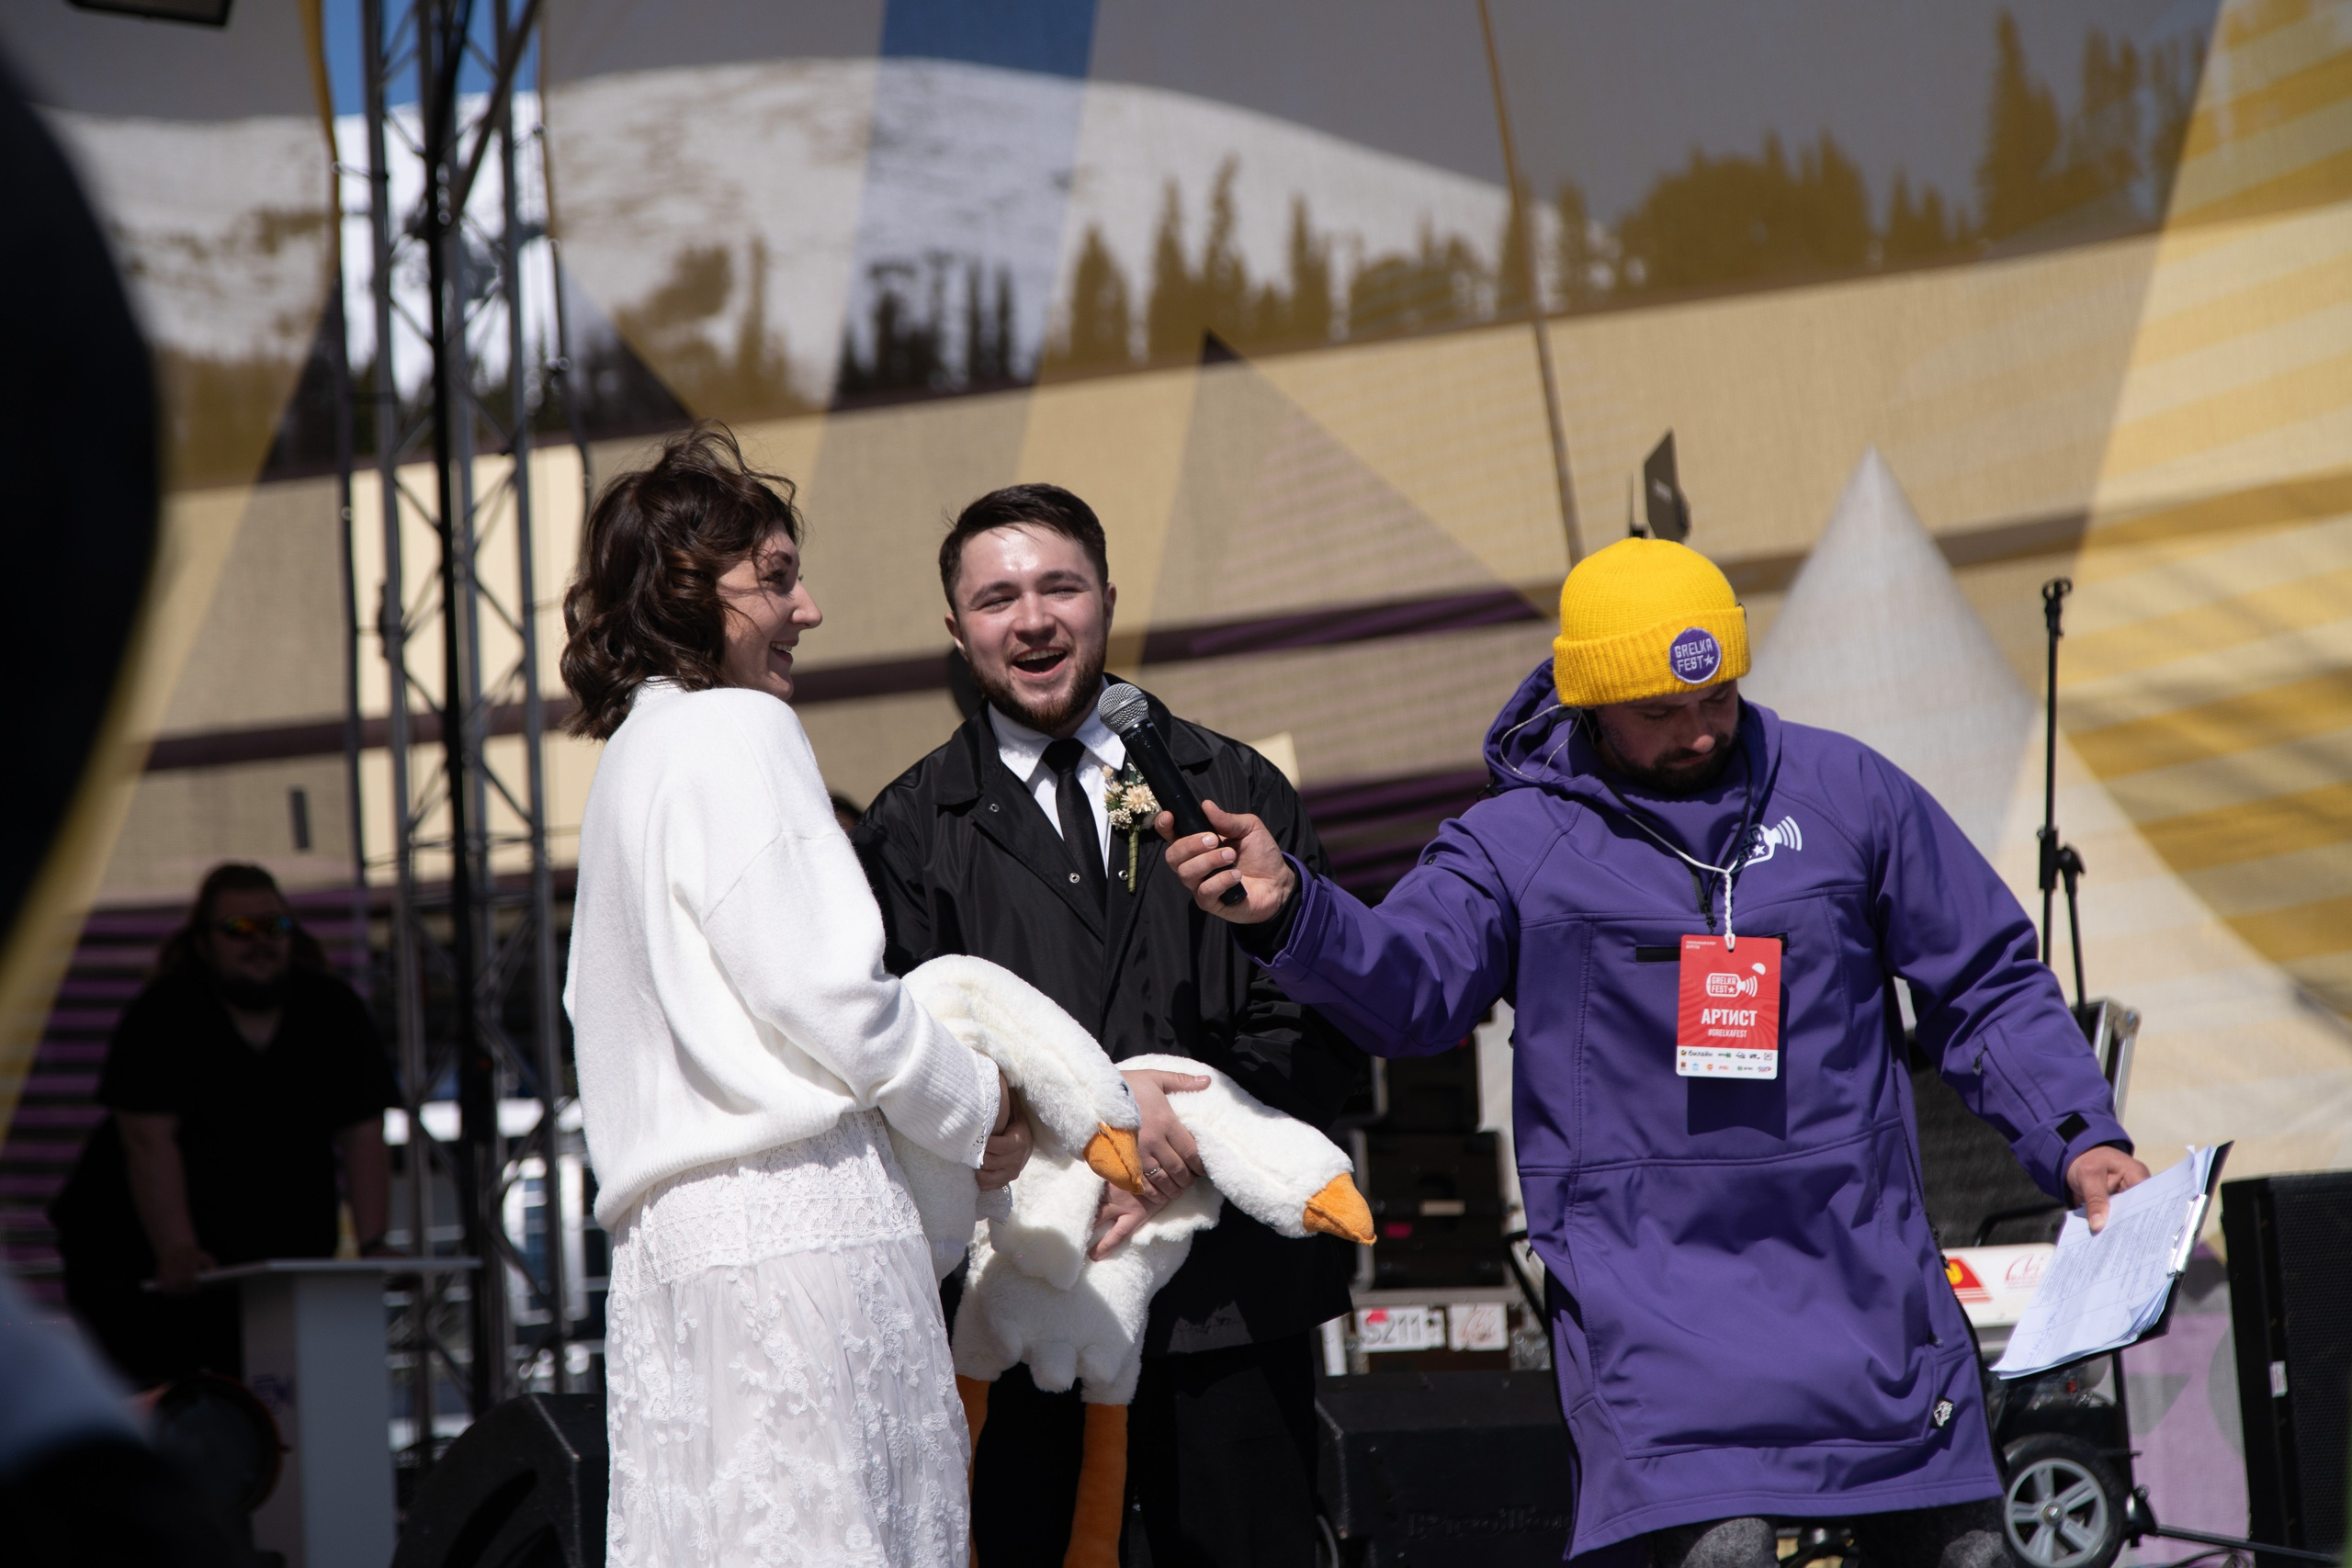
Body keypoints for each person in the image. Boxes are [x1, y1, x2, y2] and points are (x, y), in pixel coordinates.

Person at [1160, 537, 2150, 1568]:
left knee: (1971, 1556)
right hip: (1652, 1298)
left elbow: (1985, 981)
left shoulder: (1847, 792)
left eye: (1716, 697)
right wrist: (1292, 915)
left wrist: (2078, 1135)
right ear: (1587, 702)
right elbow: (1410, 987)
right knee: (1719, 1550)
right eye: (1660, 714)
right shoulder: (1515, 838)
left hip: (1864, 1274)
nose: (1697, 731)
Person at [853, 483, 1363, 1567]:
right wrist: (1086, 1139)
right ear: (957, 630)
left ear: (1107, 600)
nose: (1031, 618)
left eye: (1058, 587)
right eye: (996, 598)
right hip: (1022, 1299)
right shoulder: (909, 829)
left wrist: (1186, 1134)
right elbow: (897, 1056)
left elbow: (1322, 1018)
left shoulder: (1229, 786)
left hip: (1227, 1302)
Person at [560, 423, 1032, 1568]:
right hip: (802, 1236)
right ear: (684, 592)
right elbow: (824, 992)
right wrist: (979, 1103)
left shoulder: (630, 760)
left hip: (670, 1259)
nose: (807, 609)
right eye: (773, 579)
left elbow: (594, 1016)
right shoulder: (737, 728)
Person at [51, 863, 398, 1387]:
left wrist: (373, 1244)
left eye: (274, 927)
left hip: (274, 1259)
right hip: (136, 1262)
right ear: (204, 943)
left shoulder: (332, 1009)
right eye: (239, 930)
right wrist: (176, 1248)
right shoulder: (164, 1013)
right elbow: (147, 1140)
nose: (259, 942)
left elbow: (363, 1130)